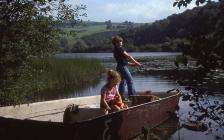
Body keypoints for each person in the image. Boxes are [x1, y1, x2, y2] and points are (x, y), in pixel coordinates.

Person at [112, 35, 141, 100]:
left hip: (119, 67)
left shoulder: (115, 50)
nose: (120, 43)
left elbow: (123, 61)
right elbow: (128, 56)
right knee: (130, 81)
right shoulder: (120, 49)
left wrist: (132, 64)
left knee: (122, 82)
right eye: (119, 41)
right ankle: (132, 96)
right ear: (115, 43)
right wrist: (137, 62)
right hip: (122, 67)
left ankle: (122, 97)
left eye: (121, 41)